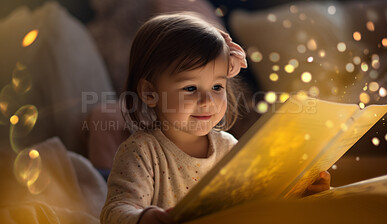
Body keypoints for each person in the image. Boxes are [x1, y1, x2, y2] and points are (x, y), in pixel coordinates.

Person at [100, 12, 331, 224]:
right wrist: (143, 218)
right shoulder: (141, 151)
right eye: (190, 88)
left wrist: (301, 190)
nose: (207, 100)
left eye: (217, 86)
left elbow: (259, 200)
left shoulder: (228, 148)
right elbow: (115, 210)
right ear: (150, 93)